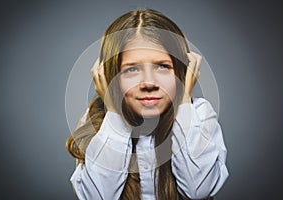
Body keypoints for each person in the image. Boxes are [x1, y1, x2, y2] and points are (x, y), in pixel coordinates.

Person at [66, 9, 228, 200]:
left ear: (182, 70)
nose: (149, 83)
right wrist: (115, 113)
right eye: (132, 69)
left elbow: (199, 190)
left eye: (162, 66)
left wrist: (184, 101)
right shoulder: (98, 120)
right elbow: (99, 197)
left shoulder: (199, 115)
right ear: (110, 75)